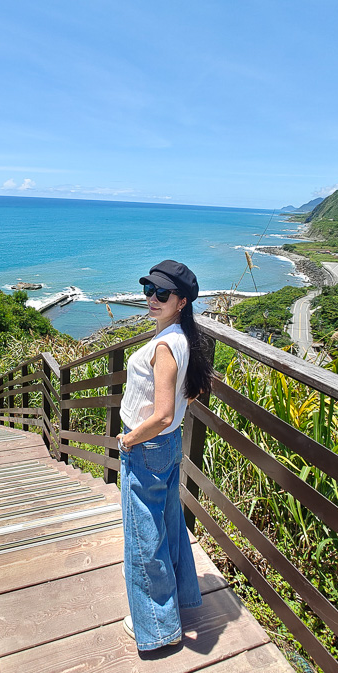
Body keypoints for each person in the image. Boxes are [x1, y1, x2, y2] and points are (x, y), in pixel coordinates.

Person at [117, 259, 213, 651]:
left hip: (147, 446)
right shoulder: (183, 338)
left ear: (183, 301)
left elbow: (162, 414)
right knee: (169, 526)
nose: (151, 299)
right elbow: (185, 397)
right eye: (148, 291)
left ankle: (158, 624)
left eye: (162, 294)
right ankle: (183, 596)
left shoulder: (165, 345)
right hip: (167, 447)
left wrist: (128, 441)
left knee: (144, 537)